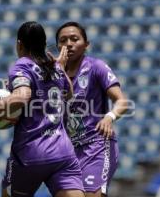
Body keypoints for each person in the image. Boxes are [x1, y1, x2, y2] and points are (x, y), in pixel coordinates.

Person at [0, 21, 85, 197]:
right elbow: (68, 93)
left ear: (19, 44)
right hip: (62, 153)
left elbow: (22, 96)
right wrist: (60, 68)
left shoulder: (23, 65)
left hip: (30, 154)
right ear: (44, 45)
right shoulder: (55, 67)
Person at [53, 21, 129, 197]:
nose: (69, 44)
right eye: (63, 40)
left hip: (97, 147)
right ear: (58, 46)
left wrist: (109, 117)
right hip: (68, 152)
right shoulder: (53, 75)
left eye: (74, 39)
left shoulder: (96, 67)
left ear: (86, 44)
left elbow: (122, 101)